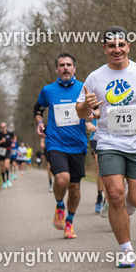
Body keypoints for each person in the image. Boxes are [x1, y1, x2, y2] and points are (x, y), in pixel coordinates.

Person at [76, 28, 136, 267]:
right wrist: (86, 106)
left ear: (129, 47)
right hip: (109, 142)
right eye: (111, 45)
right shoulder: (94, 78)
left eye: (121, 45)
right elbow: (80, 111)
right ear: (104, 48)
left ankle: (125, 205)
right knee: (115, 194)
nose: (116, 49)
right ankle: (126, 249)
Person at [34, 54, 88, 240]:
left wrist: (92, 115)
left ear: (74, 68)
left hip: (78, 144)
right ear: (56, 69)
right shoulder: (48, 91)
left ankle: (69, 222)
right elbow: (38, 110)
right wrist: (40, 122)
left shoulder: (84, 88)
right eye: (62, 65)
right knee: (62, 179)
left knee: (74, 188)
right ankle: (59, 206)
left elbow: (96, 109)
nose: (65, 68)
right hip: (55, 143)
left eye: (69, 65)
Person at [87, 105, 106, 215]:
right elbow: (84, 112)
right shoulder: (93, 92)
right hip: (96, 137)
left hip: (114, 134)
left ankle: (110, 197)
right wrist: (87, 123)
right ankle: (100, 197)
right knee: (101, 168)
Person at [0, 122, 15, 189]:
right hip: (1, 151)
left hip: (8, 151)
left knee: (6, 165)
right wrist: (0, 141)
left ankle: (8, 179)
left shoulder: (9, 133)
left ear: (6, 127)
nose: (3, 128)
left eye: (4, 127)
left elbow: (14, 137)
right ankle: (4, 182)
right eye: (1, 127)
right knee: (2, 167)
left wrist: (13, 143)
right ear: (0, 128)